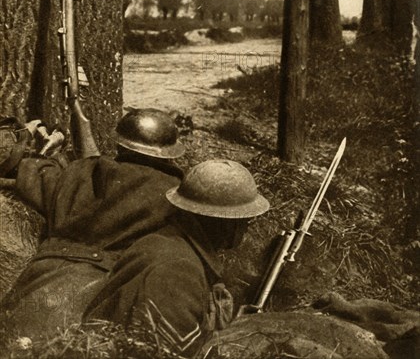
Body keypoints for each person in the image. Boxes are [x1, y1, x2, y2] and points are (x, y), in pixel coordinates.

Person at [0, 108, 185, 338]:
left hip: (33, 285)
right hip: (97, 300)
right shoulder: (177, 193)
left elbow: (35, 178)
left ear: (120, 145)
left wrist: (43, 156)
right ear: (170, 153)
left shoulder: (82, 170)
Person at [83, 159, 270, 357]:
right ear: (225, 223)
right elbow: (169, 352)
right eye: (244, 219)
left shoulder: (165, 242)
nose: (247, 227)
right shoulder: (179, 272)